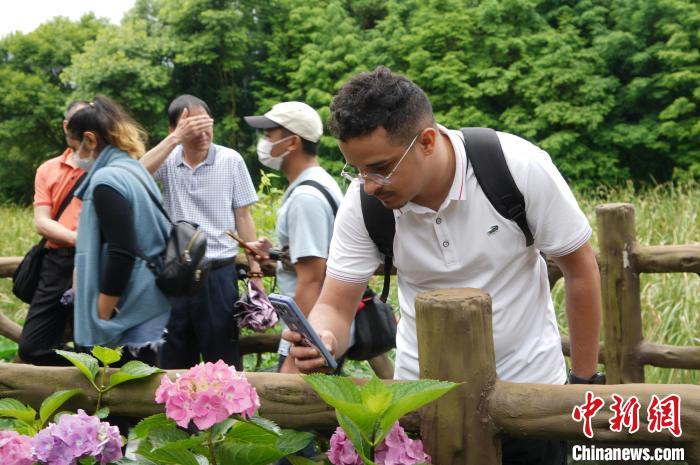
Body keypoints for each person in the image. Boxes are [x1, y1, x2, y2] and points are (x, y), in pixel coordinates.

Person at [284, 67, 602, 465]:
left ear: (428, 141)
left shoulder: (517, 168)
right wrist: (325, 339)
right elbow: (335, 305)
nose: (368, 184)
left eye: (381, 168)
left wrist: (584, 383)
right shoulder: (363, 203)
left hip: (531, 397)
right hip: (421, 406)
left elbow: (580, 268)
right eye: (357, 170)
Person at [141, 94, 261, 369]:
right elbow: (134, 175)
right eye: (192, 126)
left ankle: (229, 414)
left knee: (223, 360)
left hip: (218, 272)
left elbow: (244, 217)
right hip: (175, 273)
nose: (202, 132)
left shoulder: (231, 160)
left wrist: (255, 272)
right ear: (175, 129)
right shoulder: (169, 160)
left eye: (207, 124)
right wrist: (174, 140)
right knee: (172, 360)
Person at [67, 95, 171, 365]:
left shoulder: (106, 179)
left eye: (74, 146)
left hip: (132, 307)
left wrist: (102, 314)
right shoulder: (133, 170)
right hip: (152, 300)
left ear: (90, 139)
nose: (73, 155)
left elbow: (121, 251)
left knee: (125, 399)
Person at [244, 101, 344, 374]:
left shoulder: (305, 199)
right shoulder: (318, 182)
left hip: (309, 342)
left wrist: (293, 357)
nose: (263, 141)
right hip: (321, 333)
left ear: (293, 143)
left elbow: (312, 278)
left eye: (269, 134)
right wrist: (277, 253)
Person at [17, 101, 88, 365]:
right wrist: (79, 239)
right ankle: (74, 377)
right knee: (32, 346)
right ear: (67, 126)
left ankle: (97, 392)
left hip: (97, 262)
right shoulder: (48, 169)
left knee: (91, 342)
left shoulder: (105, 166)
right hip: (57, 261)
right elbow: (42, 223)